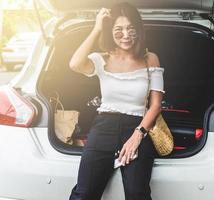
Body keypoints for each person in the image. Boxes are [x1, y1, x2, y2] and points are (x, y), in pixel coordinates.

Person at [69, 2, 165, 200]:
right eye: (118, 29)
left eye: (131, 29)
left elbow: (156, 105)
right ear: (110, 31)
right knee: (84, 193)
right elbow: (75, 64)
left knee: (137, 193)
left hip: (138, 126)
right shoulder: (101, 59)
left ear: (138, 30)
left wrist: (137, 135)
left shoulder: (150, 59)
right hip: (104, 126)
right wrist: (96, 27)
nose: (126, 35)